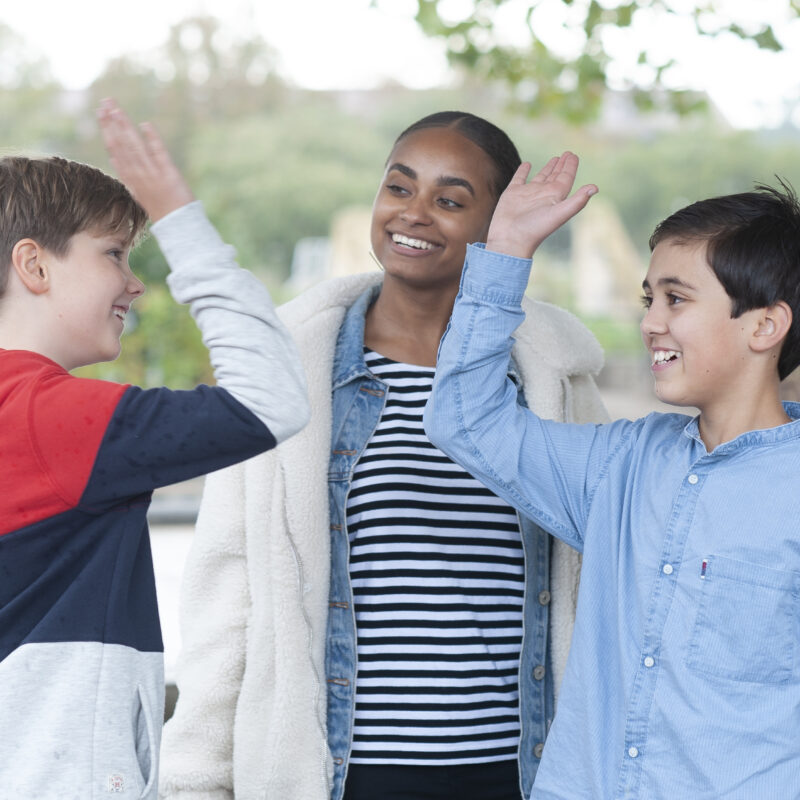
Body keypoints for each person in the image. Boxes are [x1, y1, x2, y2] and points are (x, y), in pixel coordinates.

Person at [160, 112, 608, 800]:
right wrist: (196, 781)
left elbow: (601, 586)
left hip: (522, 772)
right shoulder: (289, 376)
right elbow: (227, 593)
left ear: (500, 226)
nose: (414, 214)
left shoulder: (553, 381)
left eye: (450, 200)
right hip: (340, 775)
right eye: (399, 188)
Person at [425, 153, 800, 799]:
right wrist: (506, 253)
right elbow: (465, 422)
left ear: (765, 324)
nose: (651, 321)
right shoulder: (618, 466)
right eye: (649, 298)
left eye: (676, 299)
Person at [0, 100, 309, 799]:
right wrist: (178, 218)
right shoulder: (50, 418)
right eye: (114, 254)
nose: (135, 283)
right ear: (34, 266)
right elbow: (272, 397)